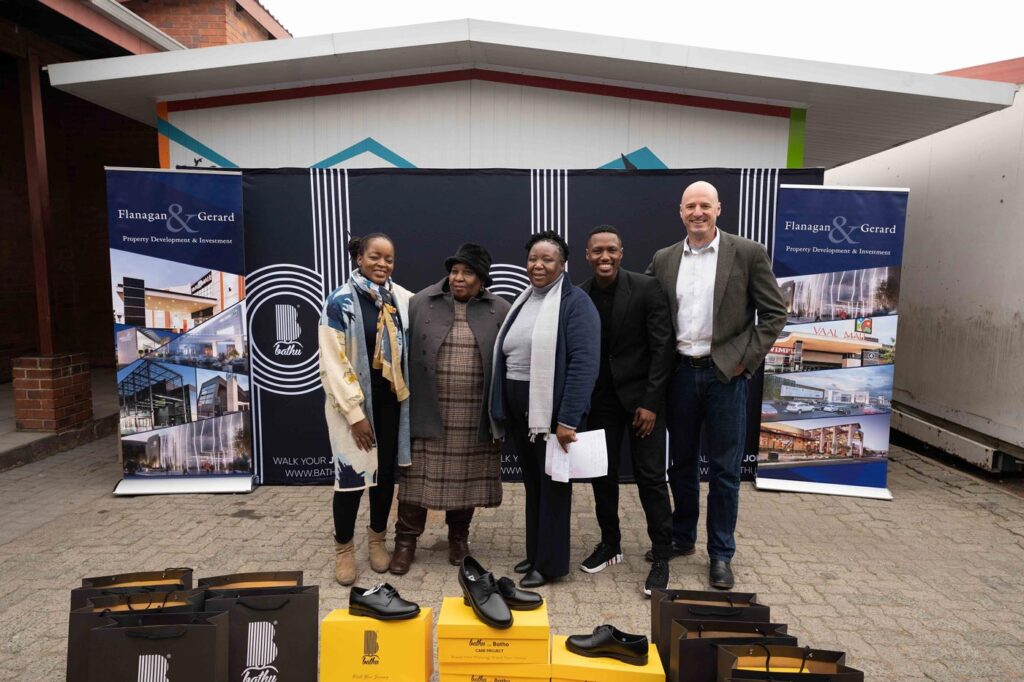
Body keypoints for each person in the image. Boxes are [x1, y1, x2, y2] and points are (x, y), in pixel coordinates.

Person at [646, 181, 786, 590]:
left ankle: (721, 554)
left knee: (726, 470)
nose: (698, 212)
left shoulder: (747, 253)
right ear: (680, 211)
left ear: (719, 209)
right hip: (680, 374)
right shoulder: (665, 258)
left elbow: (774, 313)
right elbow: (653, 312)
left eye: (705, 205)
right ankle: (682, 537)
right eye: (690, 206)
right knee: (682, 464)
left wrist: (744, 361)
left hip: (726, 374)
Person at [389, 243, 511, 575]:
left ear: (482, 279)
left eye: (467, 272)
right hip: (428, 408)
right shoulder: (420, 302)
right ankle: (405, 543)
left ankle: (458, 539)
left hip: (474, 412)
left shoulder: (500, 309)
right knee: (416, 479)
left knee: (465, 478)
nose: (458, 278)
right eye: (455, 271)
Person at [490, 230, 600, 588]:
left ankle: (550, 565)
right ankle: (536, 552)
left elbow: (585, 363)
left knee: (553, 487)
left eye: (547, 259)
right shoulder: (525, 299)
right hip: (523, 408)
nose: (538, 265)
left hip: (552, 414)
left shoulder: (575, 302)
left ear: (562, 264)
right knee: (534, 484)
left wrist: (568, 418)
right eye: (533, 259)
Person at [578, 225, 676, 596]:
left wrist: (651, 403)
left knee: (650, 478)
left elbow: (662, 348)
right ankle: (610, 543)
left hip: (642, 403)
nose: (605, 257)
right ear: (587, 256)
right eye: (597, 251)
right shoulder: (581, 295)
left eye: (611, 250)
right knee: (602, 478)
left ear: (622, 252)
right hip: (601, 402)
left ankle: (662, 555)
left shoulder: (648, 288)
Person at [319, 233, 413, 586]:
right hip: (354, 410)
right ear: (359, 258)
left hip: (392, 404)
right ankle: (344, 549)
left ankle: (377, 540)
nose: (382, 264)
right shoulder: (339, 302)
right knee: (351, 480)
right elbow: (332, 361)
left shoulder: (400, 299)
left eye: (388, 259)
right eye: (375, 256)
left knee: (385, 477)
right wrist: (355, 416)